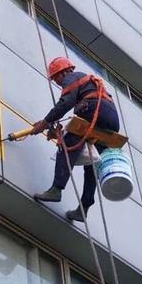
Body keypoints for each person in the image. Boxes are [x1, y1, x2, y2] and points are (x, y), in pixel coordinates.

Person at [31, 56, 120, 222]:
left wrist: (45, 123)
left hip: (94, 110)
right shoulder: (87, 83)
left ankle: (56, 189)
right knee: (92, 163)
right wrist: (52, 126)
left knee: (67, 144)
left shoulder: (72, 77)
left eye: (56, 78)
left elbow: (65, 103)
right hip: (111, 119)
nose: (58, 83)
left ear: (64, 72)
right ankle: (84, 208)